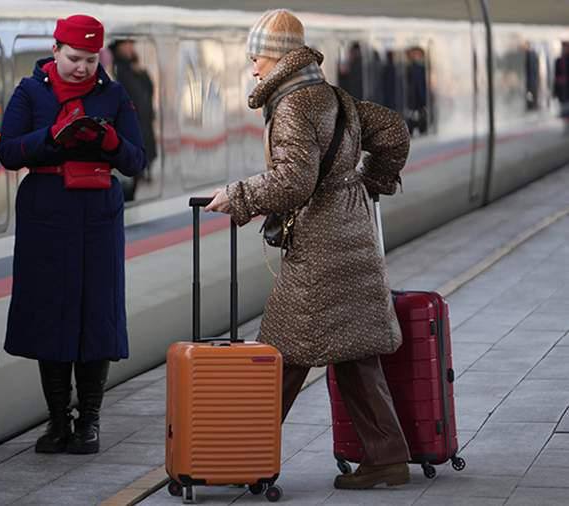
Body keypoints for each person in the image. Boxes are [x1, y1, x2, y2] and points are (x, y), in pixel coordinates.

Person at [204, 9, 412, 490]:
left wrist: (238, 196)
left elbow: (293, 181)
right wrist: (371, 181)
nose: (252, 68)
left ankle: (240, 457)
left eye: (256, 58)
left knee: (280, 353)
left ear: (276, 57)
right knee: (353, 348)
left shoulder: (293, 106)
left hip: (321, 246)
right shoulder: (334, 96)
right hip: (352, 230)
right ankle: (387, 458)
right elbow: (394, 130)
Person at [0, 14, 146, 455]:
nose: (82, 68)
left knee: (96, 314)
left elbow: (136, 159)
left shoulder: (113, 95)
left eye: (90, 60)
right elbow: (7, 150)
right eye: (74, 58)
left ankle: (90, 422)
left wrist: (109, 141)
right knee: (50, 313)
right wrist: (54, 137)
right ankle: (58, 421)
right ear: (56, 51)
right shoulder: (30, 92)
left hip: (97, 214)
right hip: (45, 213)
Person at [110, 39, 157, 196]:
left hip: (143, 121)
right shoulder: (119, 69)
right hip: (132, 123)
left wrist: (141, 72)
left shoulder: (134, 68)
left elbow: (149, 89)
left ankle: (143, 173)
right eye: (126, 44)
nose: (130, 48)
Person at [555, 41, 569, 119]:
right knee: (563, 104)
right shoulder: (559, 60)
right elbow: (556, 75)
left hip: (565, 86)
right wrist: (555, 91)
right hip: (562, 87)